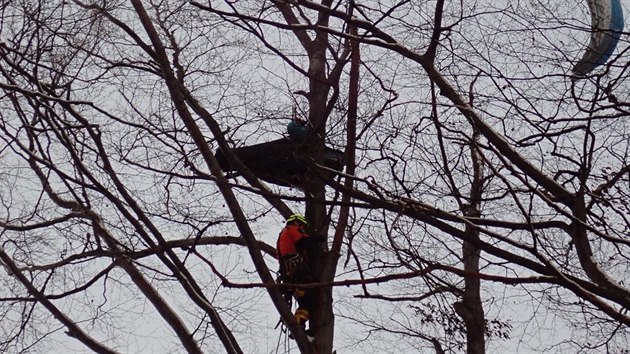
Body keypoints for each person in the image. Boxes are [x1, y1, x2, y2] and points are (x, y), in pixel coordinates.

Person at [276, 213, 321, 335]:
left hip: (290, 274)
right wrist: (316, 238)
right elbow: (303, 241)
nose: (302, 229)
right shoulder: (292, 229)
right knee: (311, 292)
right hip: (295, 268)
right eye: (302, 226)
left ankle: (299, 323)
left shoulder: (284, 236)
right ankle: (300, 325)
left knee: (305, 299)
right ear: (296, 222)